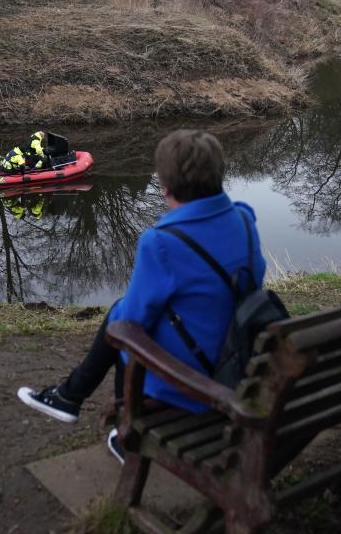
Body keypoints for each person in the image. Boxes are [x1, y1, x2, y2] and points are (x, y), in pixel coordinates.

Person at [17, 129, 265, 463]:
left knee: (124, 326)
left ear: (164, 187)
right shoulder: (245, 219)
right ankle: (68, 396)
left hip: (198, 383)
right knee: (125, 313)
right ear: (220, 173)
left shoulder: (161, 242)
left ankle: (122, 429)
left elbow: (130, 323)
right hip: (243, 356)